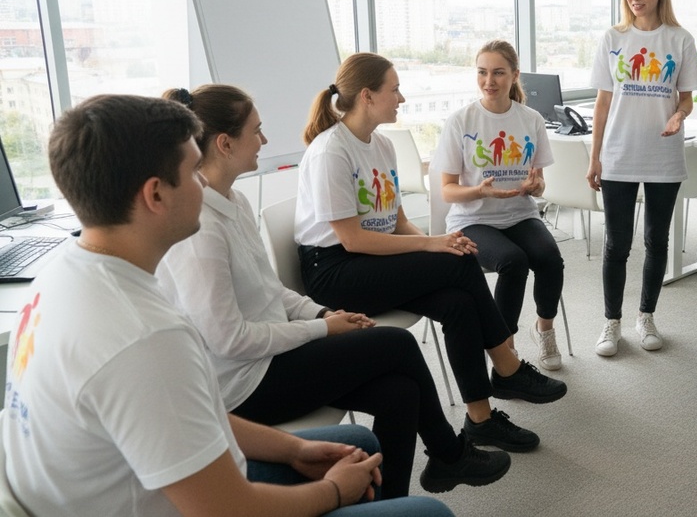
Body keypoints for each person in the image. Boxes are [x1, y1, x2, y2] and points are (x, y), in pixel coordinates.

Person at [2, 93, 451, 516]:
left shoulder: (61, 275)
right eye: (193, 172)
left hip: (124, 484)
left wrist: (295, 449)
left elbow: (187, 412)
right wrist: (334, 491)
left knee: (360, 439)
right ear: (156, 195)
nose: (203, 184)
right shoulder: (147, 339)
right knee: (430, 512)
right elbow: (227, 509)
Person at [157, 84, 510, 499]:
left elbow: (271, 291)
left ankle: (388, 503)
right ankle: (449, 454)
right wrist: (322, 330)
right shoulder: (200, 229)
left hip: (272, 355)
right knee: (398, 344)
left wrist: (322, 314)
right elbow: (229, 340)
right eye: (256, 130)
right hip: (244, 385)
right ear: (224, 143)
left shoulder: (232, 201)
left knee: (400, 393)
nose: (264, 140)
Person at [295, 53, 566, 454]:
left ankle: (481, 420)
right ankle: (506, 366)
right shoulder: (331, 151)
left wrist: (441, 241)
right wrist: (430, 244)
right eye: (395, 90)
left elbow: (398, 221)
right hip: (335, 270)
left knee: (458, 300)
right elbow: (352, 240)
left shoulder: (382, 145)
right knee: (459, 264)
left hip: (372, 261)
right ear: (367, 96)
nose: (402, 98)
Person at [586, 0, 697, 356]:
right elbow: (603, 102)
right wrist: (594, 156)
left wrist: (678, 115)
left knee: (657, 240)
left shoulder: (680, 39)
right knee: (616, 244)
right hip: (618, 153)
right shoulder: (613, 38)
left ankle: (646, 316)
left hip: (663, 154)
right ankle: (611, 322)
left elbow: (687, 98)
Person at [434, 41, 565, 370]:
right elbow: (447, 191)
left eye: (498, 73)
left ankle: (545, 330)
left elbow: (540, 182)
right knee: (512, 262)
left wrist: (536, 186)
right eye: (482, 72)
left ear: (515, 75)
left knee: (550, 258)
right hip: (472, 219)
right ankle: (505, 347)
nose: (488, 81)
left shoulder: (531, 119)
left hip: (520, 215)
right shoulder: (461, 120)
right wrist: (480, 192)